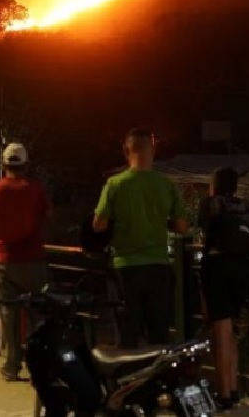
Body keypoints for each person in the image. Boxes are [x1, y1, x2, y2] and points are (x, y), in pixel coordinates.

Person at [92, 127, 188, 348]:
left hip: (125, 267)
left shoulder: (115, 184)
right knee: (159, 332)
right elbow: (182, 227)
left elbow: (99, 225)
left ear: (127, 150)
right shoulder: (165, 185)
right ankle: (158, 378)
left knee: (128, 332)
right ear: (152, 149)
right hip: (158, 265)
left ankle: (129, 378)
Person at [0, 143, 50, 381]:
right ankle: (39, 363)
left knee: (7, 315)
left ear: (3, 164)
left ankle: (11, 366)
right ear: (26, 165)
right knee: (37, 315)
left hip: (4, 261)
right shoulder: (36, 189)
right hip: (34, 259)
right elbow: (49, 216)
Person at [198, 167, 249, 410]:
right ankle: (233, 388)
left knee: (221, 329)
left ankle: (224, 393)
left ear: (214, 184)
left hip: (218, 268)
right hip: (244, 270)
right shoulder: (248, 206)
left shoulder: (211, 203)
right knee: (231, 329)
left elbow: (205, 232)